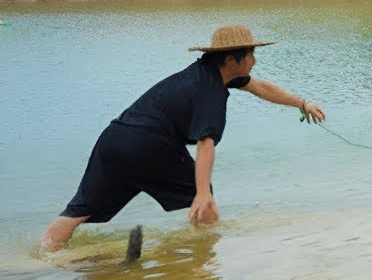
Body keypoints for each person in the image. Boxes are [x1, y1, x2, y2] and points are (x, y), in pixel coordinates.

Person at [41, 24, 326, 252]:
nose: (254, 60)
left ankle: (43, 258)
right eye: (251, 54)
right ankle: (205, 262)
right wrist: (201, 193)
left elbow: (259, 87)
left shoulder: (205, 73)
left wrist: (301, 103)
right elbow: (205, 142)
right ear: (231, 59)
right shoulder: (211, 92)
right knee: (204, 196)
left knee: (79, 209)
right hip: (149, 145)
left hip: (114, 139)